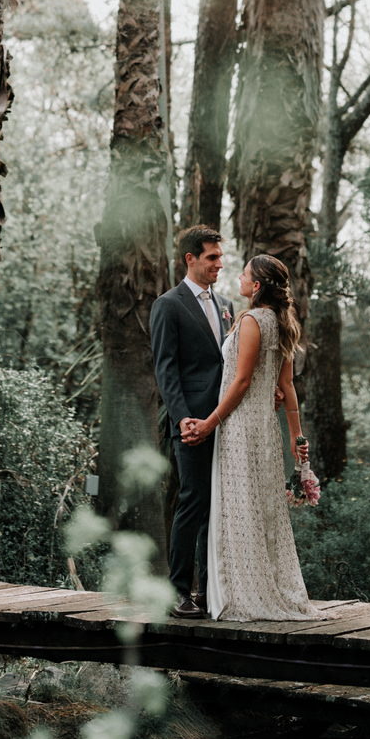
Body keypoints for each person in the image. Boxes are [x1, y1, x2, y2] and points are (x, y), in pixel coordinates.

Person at [183, 253, 318, 621]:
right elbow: (286, 385)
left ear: (256, 286)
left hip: (240, 426)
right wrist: (296, 436)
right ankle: (256, 586)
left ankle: (241, 594)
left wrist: (210, 423)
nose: (238, 279)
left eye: (244, 275)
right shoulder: (282, 322)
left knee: (238, 506)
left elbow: (241, 382)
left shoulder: (252, 322)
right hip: (265, 428)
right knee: (260, 508)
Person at [149, 225, 233, 619]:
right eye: (212, 257)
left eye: (220, 256)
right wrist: (183, 418)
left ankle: (208, 592)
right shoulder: (168, 305)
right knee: (193, 502)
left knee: (218, 506)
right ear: (190, 259)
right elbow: (165, 369)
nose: (220, 263)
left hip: (226, 421)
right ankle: (178, 591)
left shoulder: (227, 304)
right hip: (192, 424)